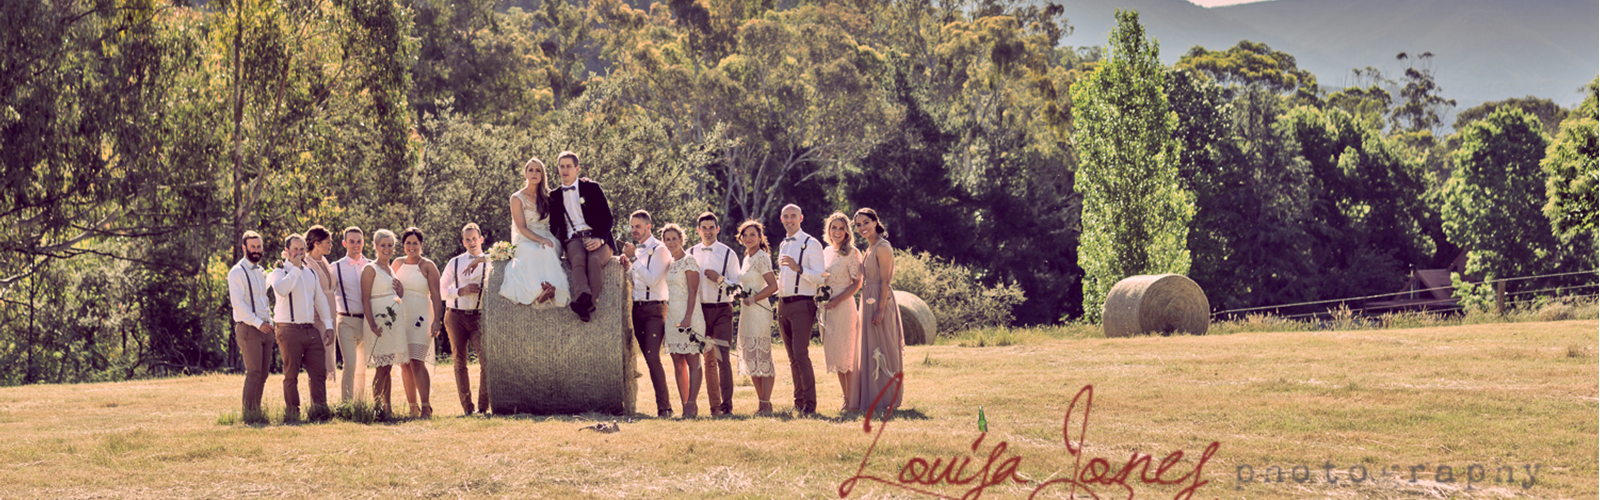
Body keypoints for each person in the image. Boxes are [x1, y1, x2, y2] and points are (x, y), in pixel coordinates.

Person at [265, 234, 335, 422]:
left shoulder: (310, 273)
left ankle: (320, 412)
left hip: (310, 329)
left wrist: (328, 326)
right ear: (286, 251)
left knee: (318, 372)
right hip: (288, 330)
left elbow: (320, 300)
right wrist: (295, 269)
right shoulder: (279, 271)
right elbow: (282, 289)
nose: (298, 252)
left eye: (301, 249)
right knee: (291, 374)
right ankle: (292, 414)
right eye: (294, 249)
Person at [547, 151, 616, 322]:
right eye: (562, 166)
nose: (565, 170)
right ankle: (584, 296)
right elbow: (553, 226)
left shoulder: (591, 188)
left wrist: (600, 238)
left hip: (599, 237)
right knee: (577, 258)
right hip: (573, 239)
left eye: (569, 166)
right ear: (558, 169)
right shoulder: (554, 196)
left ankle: (588, 304)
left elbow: (608, 218)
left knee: (593, 260)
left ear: (577, 168)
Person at [619, 210, 672, 417]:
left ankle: (665, 407)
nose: (634, 230)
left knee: (652, 358)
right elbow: (637, 279)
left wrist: (634, 259)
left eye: (638, 226)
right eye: (632, 226)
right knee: (643, 357)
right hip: (637, 309)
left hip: (655, 309)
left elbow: (652, 280)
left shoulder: (660, 249)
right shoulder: (638, 250)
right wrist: (628, 266)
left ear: (648, 227)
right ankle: (662, 406)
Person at [852, 208, 905, 416]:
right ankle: (872, 396)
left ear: (875, 222)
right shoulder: (868, 247)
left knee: (884, 347)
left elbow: (885, 280)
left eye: (866, 222)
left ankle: (887, 397)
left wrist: (881, 309)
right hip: (867, 298)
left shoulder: (883, 247)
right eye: (858, 225)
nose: (862, 227)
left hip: (880, 299)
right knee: (871, 346)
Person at [775, 204, 826, 416]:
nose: (789, 220)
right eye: (785, 216)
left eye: (793, 216)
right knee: (791, 357)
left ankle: (810, 405)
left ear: (801, 218)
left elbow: (820, 275)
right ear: (781, 219)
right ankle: (798, 402)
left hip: (802, 304)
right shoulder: (782, 244)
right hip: (783, 304)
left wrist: (800, 269)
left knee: (801, 353)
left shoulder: (811, 243)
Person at [497, 157, 569, 307]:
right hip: (525, 237)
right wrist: (539, 239)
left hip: (546, 235)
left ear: (542, 175)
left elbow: (569, 190)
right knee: (532, 251)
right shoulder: (516, 198)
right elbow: (522, 227)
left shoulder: (550, 196)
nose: (534, 173)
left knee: (547, 248)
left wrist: (585, 182)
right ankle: (538, 292)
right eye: (531, 170)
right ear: (525, 174)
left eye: (538, 170)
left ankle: (550, 287)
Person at [441, 223, 492, 416]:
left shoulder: (491, 260)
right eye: (467, 239)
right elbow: (441, 290)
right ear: (463, 242)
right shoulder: (454, 263)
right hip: (455, 315)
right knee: (459, 362)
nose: (471, 242)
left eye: (474, 238)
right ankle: (468, 409)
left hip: (479, 317)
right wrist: (460, 291)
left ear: (481, 239)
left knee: (486, 362)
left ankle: (483, 407)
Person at [391, 227, 442, 418]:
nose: (411, 247)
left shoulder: (428, 265)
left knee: (417, 361)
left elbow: (436, 295)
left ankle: (426, 406)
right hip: (401, 315)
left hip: (422, 315)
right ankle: (412, 407)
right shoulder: (396, 264)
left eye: (415, 243)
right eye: (408, 243)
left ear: (421, 245)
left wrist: (437, 320)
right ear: (403, 245)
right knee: (404, 363)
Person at [691, 212, 738, 416]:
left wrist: (720, 279)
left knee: (722, 358)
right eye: (704, 228)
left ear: (717, 229)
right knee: (707, 359)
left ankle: (727, 407)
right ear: (698, 230)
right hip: (700, 311)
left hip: (722, 310)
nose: (708, 231)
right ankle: (715, 407)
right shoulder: (690, 253)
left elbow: (737, 288)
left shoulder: (729, 254)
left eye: (712, 227)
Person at [660, 223, 708, 418]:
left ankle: (692, 404)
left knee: (693, 360)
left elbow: (693, 291)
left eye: (674, 238)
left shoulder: (689, 261)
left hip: (690, 316)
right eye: (667, 239)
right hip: (672, 319)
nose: (671, 242)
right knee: (678, 363)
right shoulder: (670, 264)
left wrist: (688, 317)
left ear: (681, 239)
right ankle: (684, 404)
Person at [227, 231, 274, 422]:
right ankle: (249, 415)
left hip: (266, 329)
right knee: (253, 372)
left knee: (263, 374)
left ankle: (256, 411)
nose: (256, 250)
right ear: (244, 248)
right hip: (249, 328)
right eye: (253, 247)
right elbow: (238, 305)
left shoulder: (261, 271)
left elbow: (263, 300)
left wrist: (269, 323)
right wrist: (258, 323)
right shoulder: (237, 272)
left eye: (259, 246)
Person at [331, 226, 381, 403]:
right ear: (345, 243)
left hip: (367, 322)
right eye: (351, 241)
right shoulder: (335, 267)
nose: (356, 245)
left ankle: (359, 405)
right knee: (350, 364)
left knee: (362, 367)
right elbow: (326, 293)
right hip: (346, 321)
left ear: (364, 243)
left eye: (359, 241)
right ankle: (347, 405)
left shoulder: (372, 266)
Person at [819, 212, 864, 413]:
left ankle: (853, 401)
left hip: (844, 306)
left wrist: (837, 300)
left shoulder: (852, 253)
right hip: (827, 308)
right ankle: (846, 399)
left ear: (847, 231)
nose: (837, 231)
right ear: (828, 230)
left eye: (841, 228)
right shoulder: (826, 252)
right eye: (833, 227)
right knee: (837, 356)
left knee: (847, 354)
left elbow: (857, 283)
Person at [734, 220, 780, 414]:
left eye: (752, 235)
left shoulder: (762, 257)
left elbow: (773, 286)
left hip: (759, 310)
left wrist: (752, 299)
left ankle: (766, 401)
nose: (748, 238)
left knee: (762, 355)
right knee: (750, 355)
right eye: (745, 235)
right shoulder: (746, 258)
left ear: (760, 237)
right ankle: (762, 403)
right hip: (746, 312)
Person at [362, 229, 406, 417]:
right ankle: (377, 408)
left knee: (388, 367)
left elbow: (395, 295)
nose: (387, 249)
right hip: (378, 322)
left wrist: (401, 292)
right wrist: (372, 325)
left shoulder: (391, 269)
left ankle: (387, 407)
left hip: (392, 322)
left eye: (390, 245)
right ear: (376, 246)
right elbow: (365, 298)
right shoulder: (370, 269)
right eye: (383, 245)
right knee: (381, 367)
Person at [303, 226, 340, 390]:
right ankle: (317, 404)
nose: (331, 245)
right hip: (318, 317)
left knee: (327, 358)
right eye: (328, 242)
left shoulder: (324, 261)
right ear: (317, 243)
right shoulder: (307, 263)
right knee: (318, 361)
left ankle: (320, 402)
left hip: (331, 317)